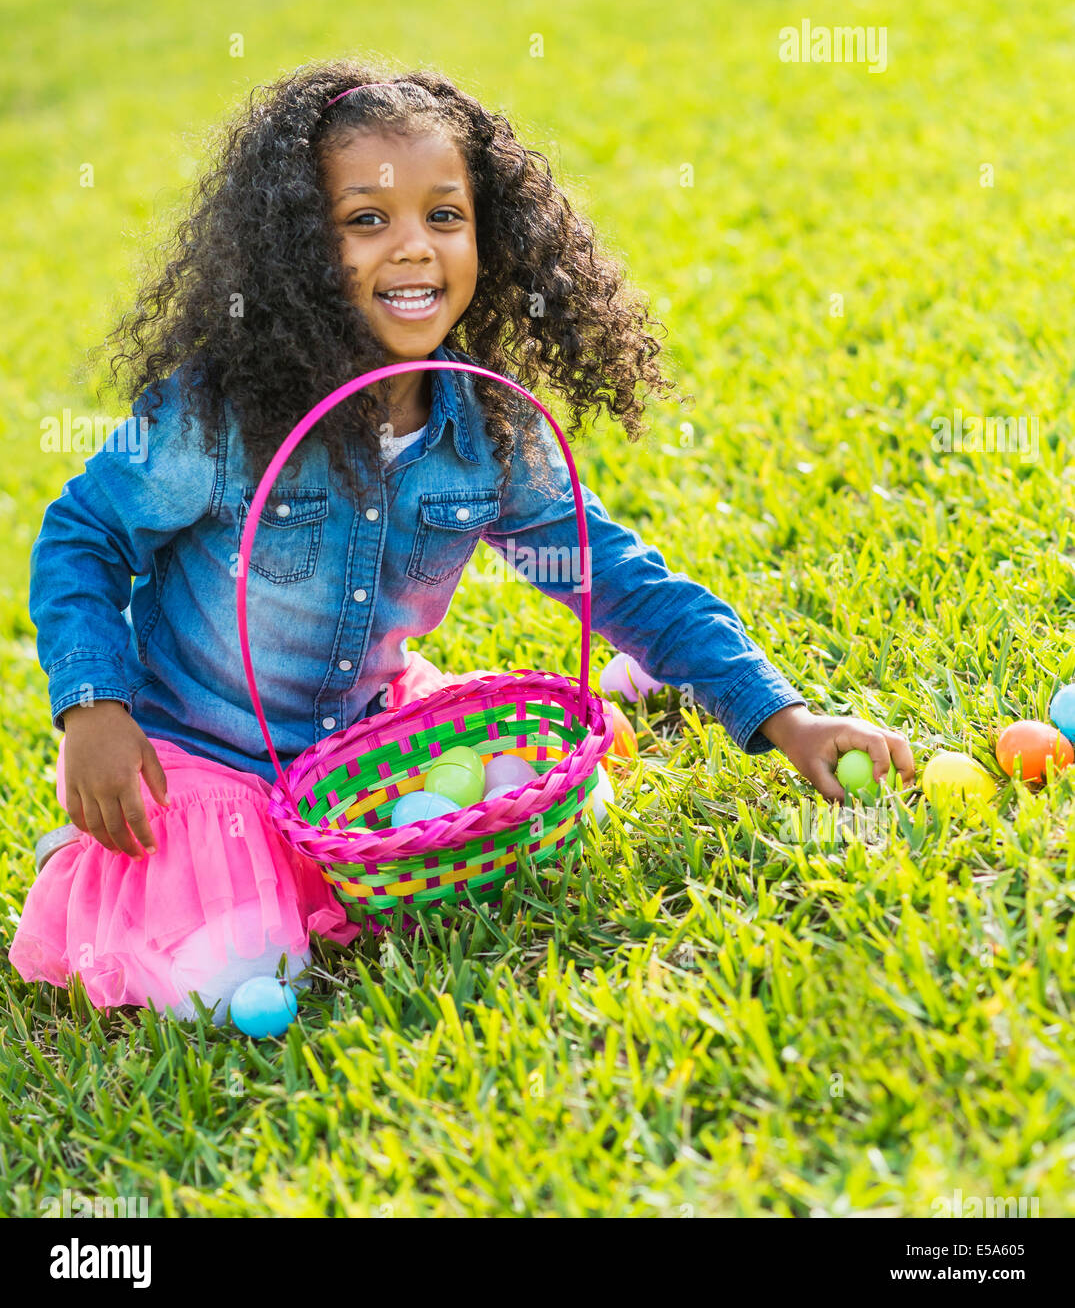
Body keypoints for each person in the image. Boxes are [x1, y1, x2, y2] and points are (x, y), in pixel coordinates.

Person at [12, 61, 915, 1015]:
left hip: (360, 747)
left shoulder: (485, 431)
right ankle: (127, 871)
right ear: (295, 252)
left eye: (444, 217)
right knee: (229, 982)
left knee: (548, 811)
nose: (413, 250)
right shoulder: (224, 416)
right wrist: (93, 710)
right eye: (366, 221)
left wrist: (785, 718)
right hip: (199, 753)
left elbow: (615, 576)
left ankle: (650, 676)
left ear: (491, 237)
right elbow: (84, 536)